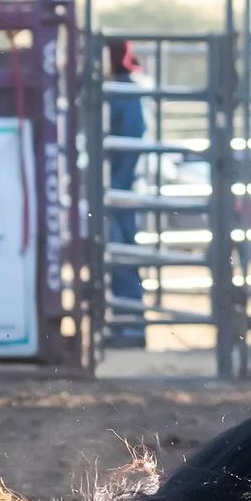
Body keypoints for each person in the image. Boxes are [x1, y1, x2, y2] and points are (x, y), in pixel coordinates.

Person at [101, 41, 150, 348]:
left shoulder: (122, 91)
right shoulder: (120, 90)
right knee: (119, 255)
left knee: (122, 255)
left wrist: (115, 185)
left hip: (119, 188)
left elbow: (132, 138)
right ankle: (125, 324)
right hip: (117, 186)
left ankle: (130, 327)